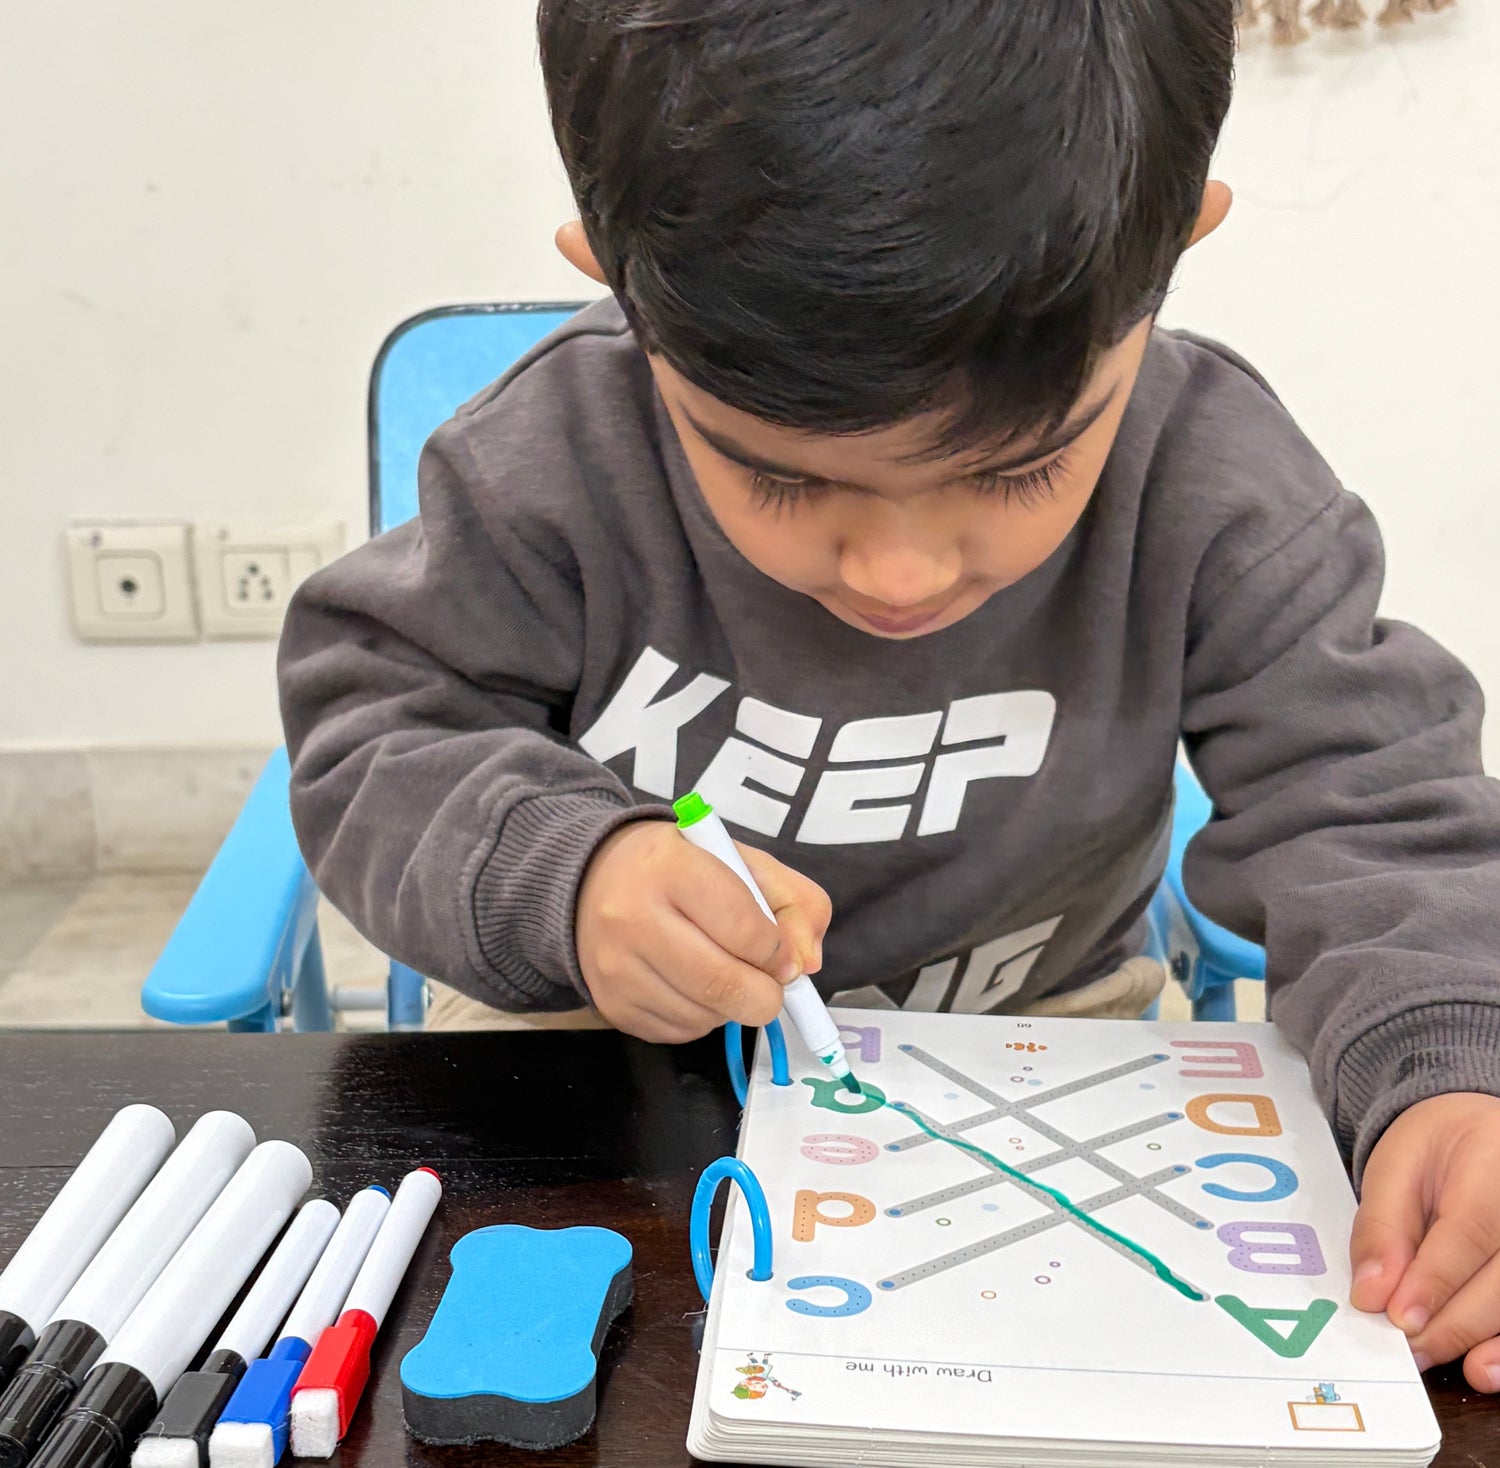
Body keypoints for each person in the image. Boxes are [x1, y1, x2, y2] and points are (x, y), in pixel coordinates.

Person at [279, 0, 1500, 1388]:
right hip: (583, 1050)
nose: (900, 571)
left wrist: (1449, 1062)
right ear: (623, 290)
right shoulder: (546, 467)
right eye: (781, 476)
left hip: (1047, 1041)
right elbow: (378, 727)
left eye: (1019, 466)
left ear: (1170, 258)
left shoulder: (1217, 489)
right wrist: (567, 874)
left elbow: (1371, 801)